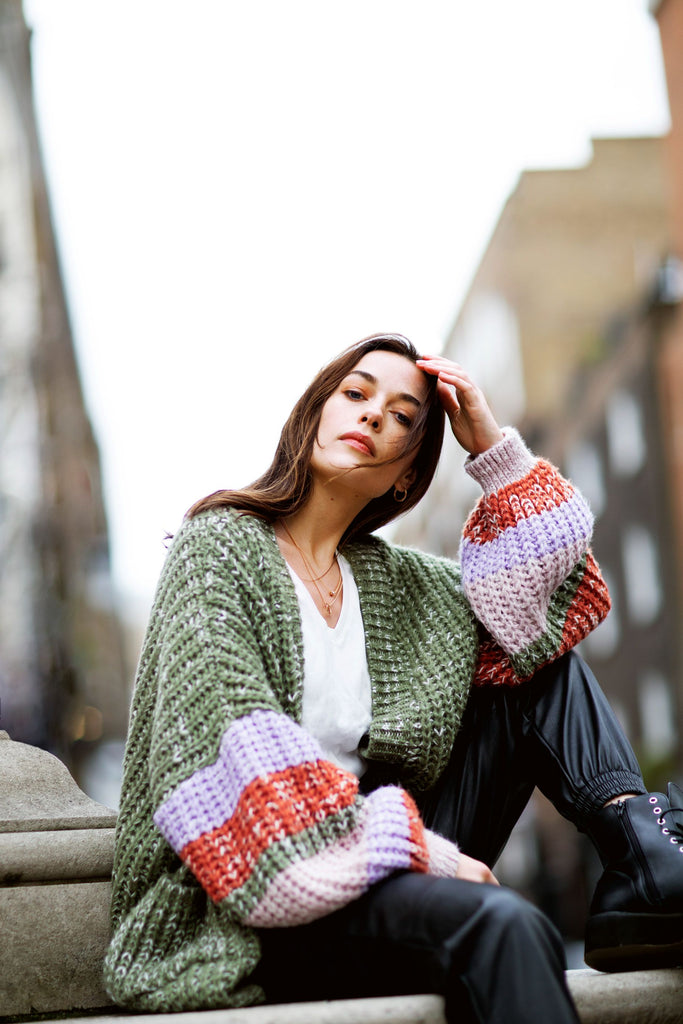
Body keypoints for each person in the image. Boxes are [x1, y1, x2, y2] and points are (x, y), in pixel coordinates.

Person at [104, 334, 683, 1023]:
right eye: (355, 393)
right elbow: (242, 770)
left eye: (404, 416)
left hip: (379, 861)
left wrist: (490, 449)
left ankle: (642, 854)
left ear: (407, 476)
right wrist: (427, 857)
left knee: (531, 653)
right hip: (249, 891)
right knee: (507, 924)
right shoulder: (220, 550)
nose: (374, 415)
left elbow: (560, 602)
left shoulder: (396, 583)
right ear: (313, 413)